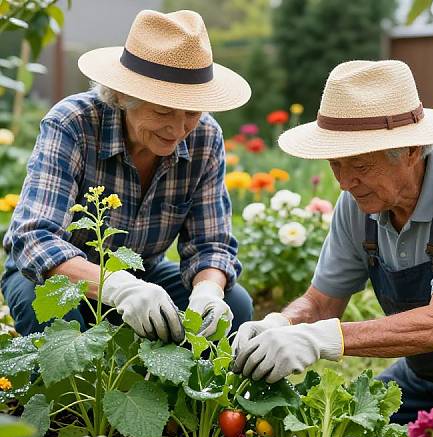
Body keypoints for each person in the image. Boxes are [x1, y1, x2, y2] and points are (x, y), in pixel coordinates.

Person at [233, 60, 433, 424]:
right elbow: (321, 303)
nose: (345, 182)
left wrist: (321, 339)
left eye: (361, 165)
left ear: (412, 150)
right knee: (352, 424)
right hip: (426, 375)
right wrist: (281, 324)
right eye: (336, 164)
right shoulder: (358, 203)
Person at [2, 9, 253, 342]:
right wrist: (117, 287)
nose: (178, 129)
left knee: (234, 304)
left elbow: (211, 245)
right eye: (163, 111)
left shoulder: (205, 137)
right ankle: (68, 395)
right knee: (50, 309)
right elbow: (34, 238)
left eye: (191, 112)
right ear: (120, 96)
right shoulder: (73, 124)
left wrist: (208, 290)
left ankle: (186, 393)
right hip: (53, 276)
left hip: (142, 276)